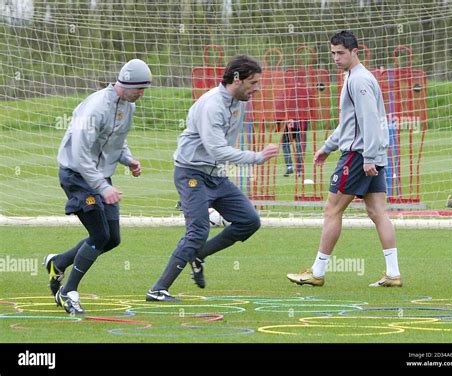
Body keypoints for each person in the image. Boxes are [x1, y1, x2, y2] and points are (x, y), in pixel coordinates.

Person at [146, 55, 279, 302]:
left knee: (249, 221)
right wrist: (257, 157)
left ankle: (198, 255)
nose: (257, 89)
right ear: (236, 79)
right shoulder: (212, 105)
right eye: (253, 83)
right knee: (198, 230)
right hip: (191, 173)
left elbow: (221, 151)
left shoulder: (239, 101)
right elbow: (217, 150)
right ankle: (157, 290)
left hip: (216, 175)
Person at [287, 31, 402, 287]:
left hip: (359, 156)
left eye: (341, 53)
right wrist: (328, 146)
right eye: (333, 53)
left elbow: (369, 121)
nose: (336, 58)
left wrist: (369, 157)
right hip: (368, 153)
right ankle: (393, 274)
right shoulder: (354, 77)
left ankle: (317, 272)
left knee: (331, 210)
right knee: (377, 212)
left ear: (354, 51)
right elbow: (349, 123)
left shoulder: (358, 80)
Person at [43, 59, 152, 314]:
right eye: (140, 88)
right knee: (100, 235)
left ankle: (57, 263)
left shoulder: (127, 107)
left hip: (99, 177)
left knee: (112, 239)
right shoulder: (95, 108)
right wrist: (103, 188)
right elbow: (81, 156)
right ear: (127, 83)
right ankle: (68, 292)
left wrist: (128, 159)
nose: (142, 94)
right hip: (77, 176)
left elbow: (117, 141)